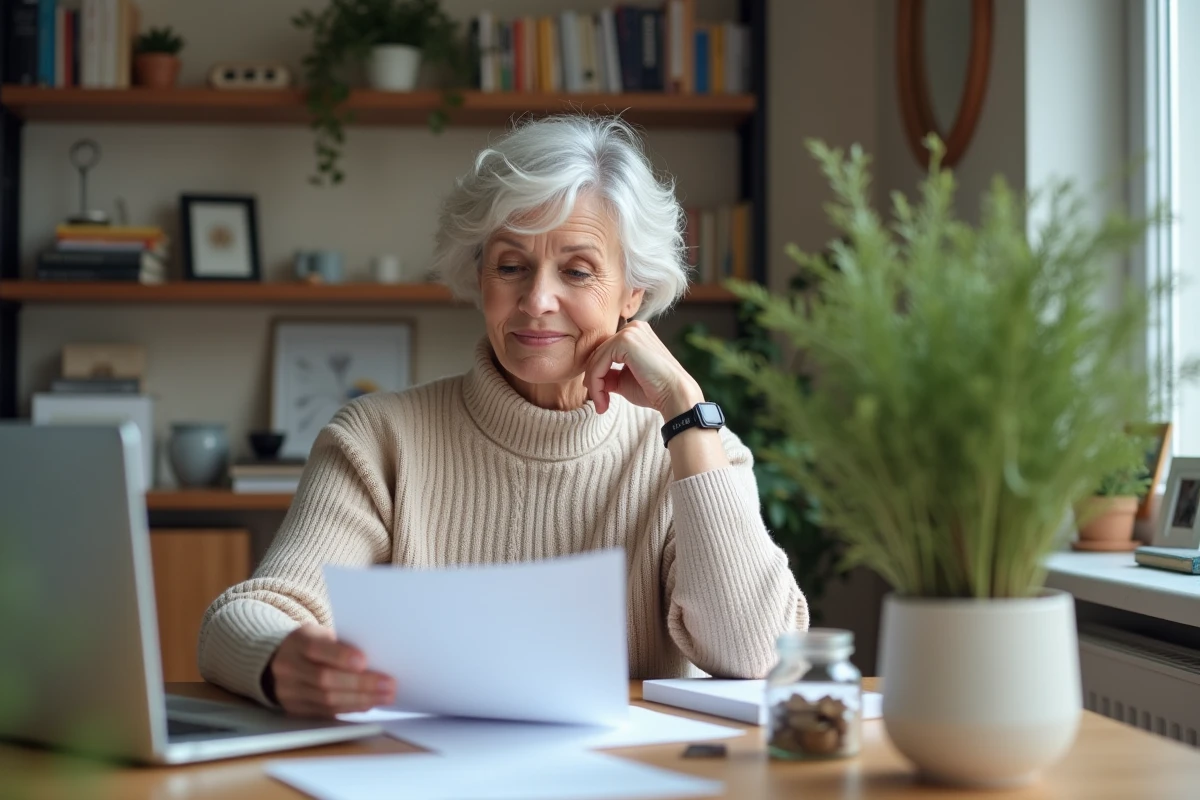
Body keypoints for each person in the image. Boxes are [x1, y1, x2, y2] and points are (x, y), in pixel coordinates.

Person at [198, 115, 808, 718]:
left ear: (633, 295)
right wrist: (281, 657)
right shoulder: (379, 439)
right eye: (511, 266)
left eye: (577, 270)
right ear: (479, 277)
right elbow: (242, 618)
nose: (537, 301)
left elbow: (756, 654)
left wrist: (684, 407)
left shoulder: (694, 447)